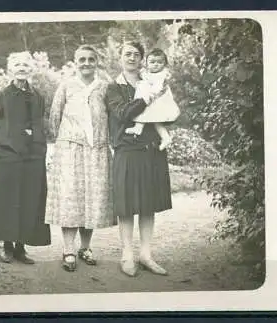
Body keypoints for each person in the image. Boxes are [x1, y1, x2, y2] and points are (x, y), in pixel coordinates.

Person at [104, 41, 173, 277]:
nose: (132, 58)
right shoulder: (114, 88)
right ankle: (127, 254)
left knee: (148, 204)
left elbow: (168, 111)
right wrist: (147, 99)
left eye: (136, 54)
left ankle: (146, 254)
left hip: (151, 148)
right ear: (120, 58)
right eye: (127, 54)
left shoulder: (153, 81)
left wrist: (159, 98)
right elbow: (123, 114)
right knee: (126, 205)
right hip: (127, 149)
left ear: (142, 59)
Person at [46, 44, 115, 272]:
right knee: (70, 197)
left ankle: (85, 247)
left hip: (96, 150)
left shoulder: (104, 87)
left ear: (97, 62)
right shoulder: (66, 85)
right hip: (70, 150)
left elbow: (112, 117)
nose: (86, 63)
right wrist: (63, 144)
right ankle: (68, 249)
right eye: (82, 59)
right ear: (76, 62)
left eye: (90, 59)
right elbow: (55, 116)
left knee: (92, 199)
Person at [0, 51, 51, 264]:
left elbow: (38, 124)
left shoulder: (38, 96)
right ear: (11, 69)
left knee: (28, 200)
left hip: (32, 156)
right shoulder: (1, 96)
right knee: (6, 201)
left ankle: (21, 247)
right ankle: (6, 246)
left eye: (25, 64)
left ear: (31, 69)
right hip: (6, 156)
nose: (22, 68)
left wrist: (35, 142)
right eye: (17, 64)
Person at [124, 48, 180, 151]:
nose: (156, 64)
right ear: (146, 63)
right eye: (152, 62)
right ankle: (142, 128)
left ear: (165, 64)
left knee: (149, 116)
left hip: (156, 100)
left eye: (160, 62)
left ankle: (160, 136)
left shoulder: (161, 75)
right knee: (152, 118)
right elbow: (144, 76)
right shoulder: (148, 73)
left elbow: (158, 88)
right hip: (152, 101)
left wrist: (150, 95)